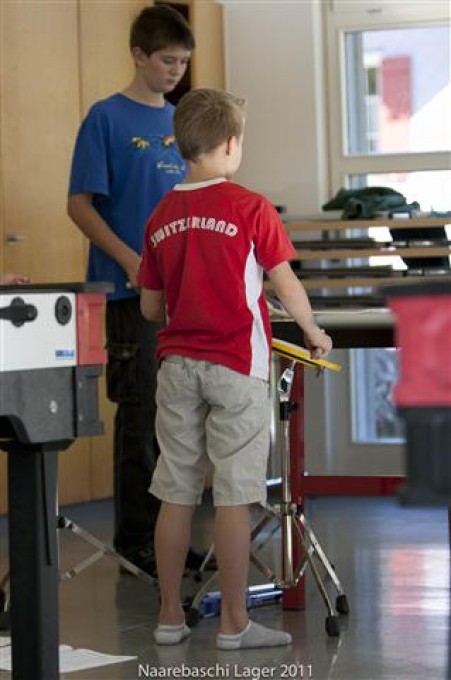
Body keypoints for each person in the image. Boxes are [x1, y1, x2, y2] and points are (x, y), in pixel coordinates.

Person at [138, 88, 333, 649]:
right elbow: (285, 284)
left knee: (175, 491)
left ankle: (169, 617)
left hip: (177, 366)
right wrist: (313, 332)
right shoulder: (250, 207)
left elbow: (150, 308)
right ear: (230, 144)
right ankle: (234, 623)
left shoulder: (160, 215)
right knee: (232, 494)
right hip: (237, 365)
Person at [67, 5, 204, 575]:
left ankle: (172, 538)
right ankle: (136, 542)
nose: (176, 71)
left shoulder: (182, 121)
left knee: (180, 422)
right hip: (131, 295)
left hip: (185, 295)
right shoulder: (105, 118)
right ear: (139, 55)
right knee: (141, 416)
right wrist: (130, 260)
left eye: (183, 63)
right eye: (168, 60)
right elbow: (80, 205)